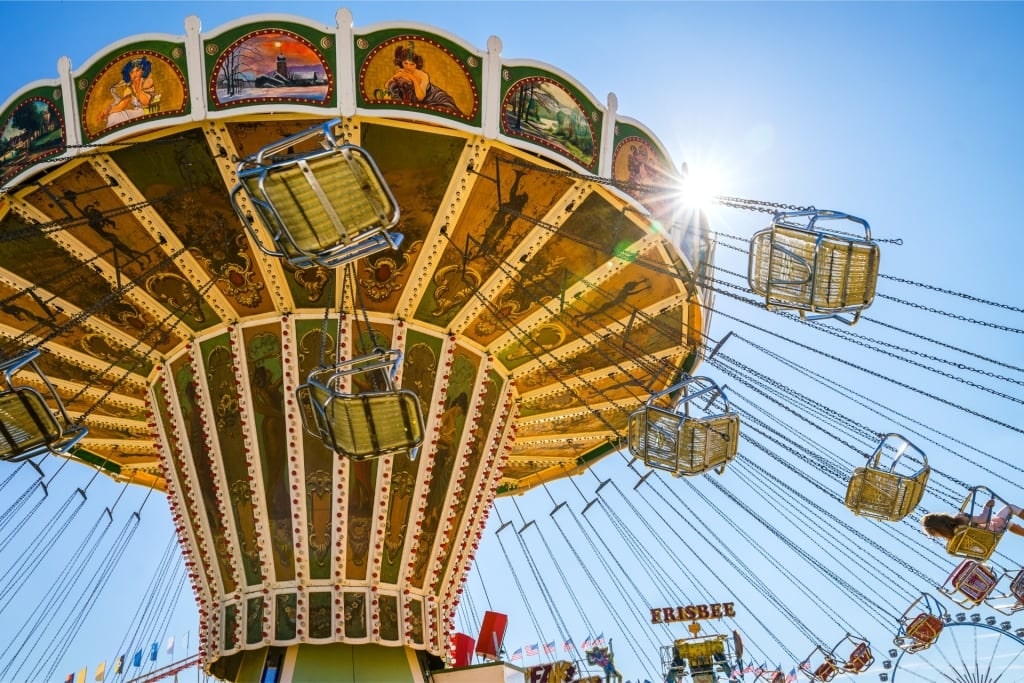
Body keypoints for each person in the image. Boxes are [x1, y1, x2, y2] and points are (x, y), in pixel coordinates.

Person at [384, 42, 461, 114]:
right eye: (405, 63)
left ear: (416, 65)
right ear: (401, 63)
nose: (408, 67)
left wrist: (413, 79)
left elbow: (420, 97)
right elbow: (387, 85)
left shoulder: (423, 75)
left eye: (412, 64)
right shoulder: (401, 72)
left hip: (436, 98)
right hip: (422, 104)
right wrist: (395, 76)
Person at [921, 498, 1024, 540]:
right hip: (991, 530)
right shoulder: (960, 518)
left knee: (1007, 523)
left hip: (987, 539)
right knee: (1011, 507)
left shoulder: (952, 539)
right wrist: (986, 507)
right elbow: (984, 519)